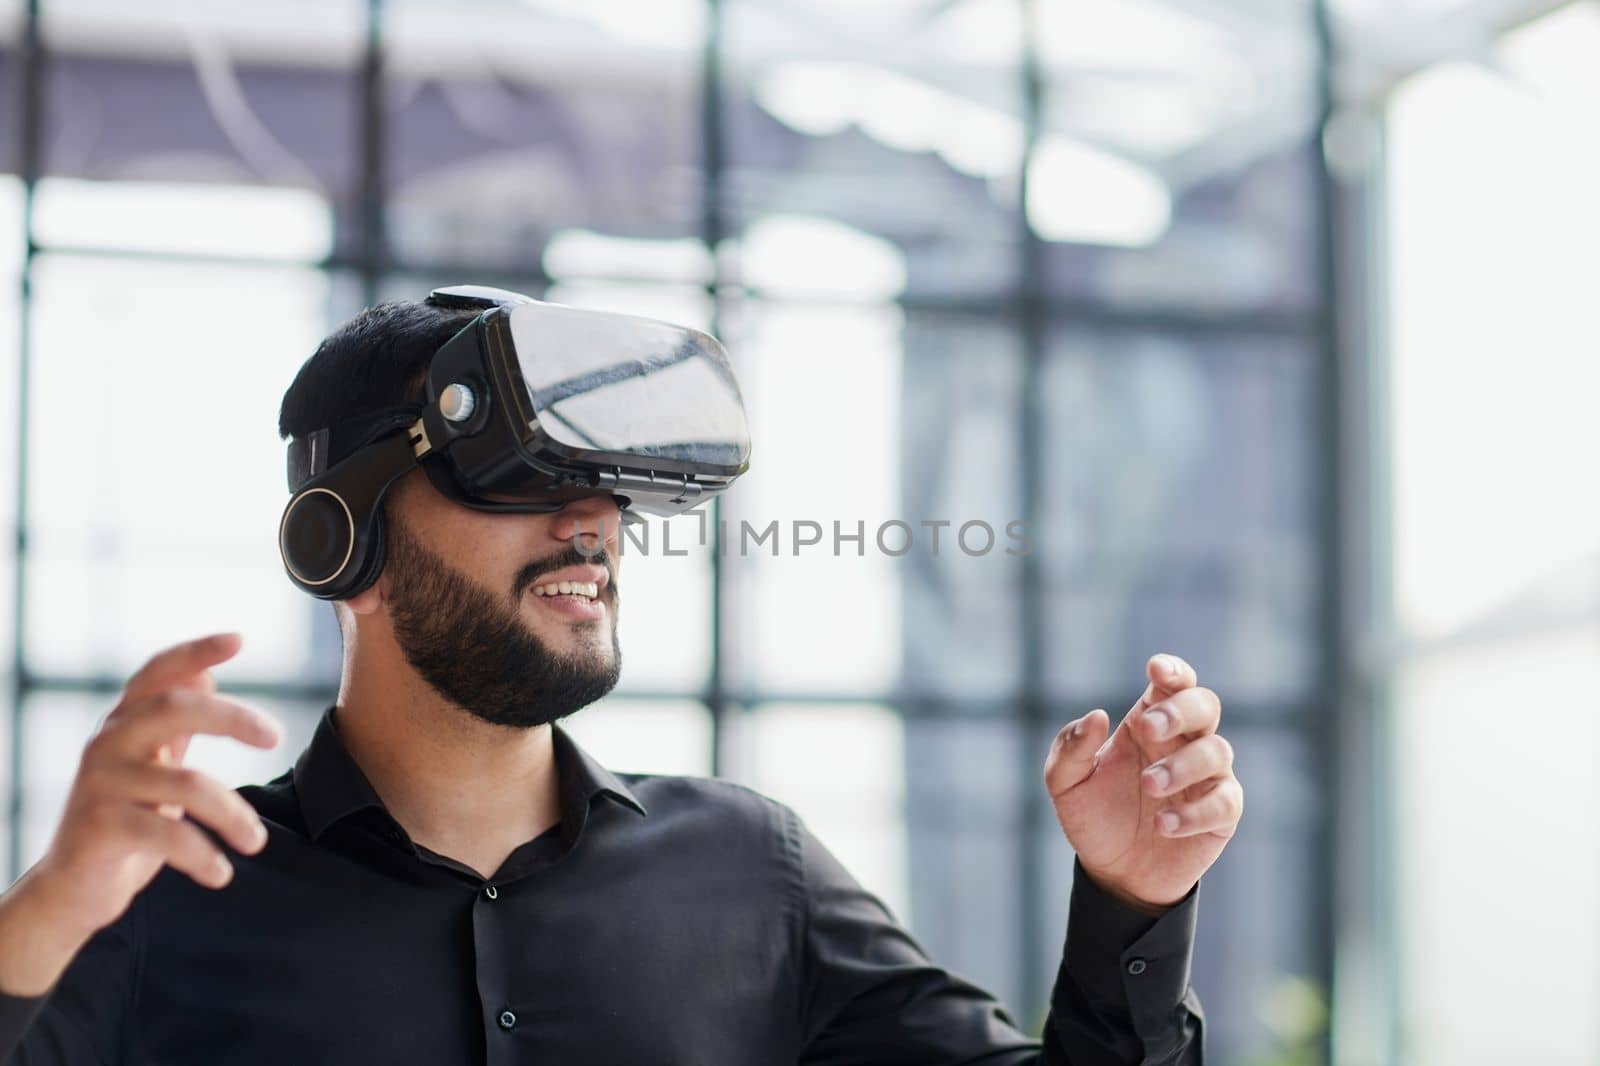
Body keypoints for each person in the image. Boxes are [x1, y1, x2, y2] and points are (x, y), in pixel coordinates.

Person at [0, 294, 1243, 1064]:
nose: (591, 521)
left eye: (601, 482)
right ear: (347, 546)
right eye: (521, 477)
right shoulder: (168, 898)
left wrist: (1130, 900)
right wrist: (47, 913)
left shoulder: (754, 870)